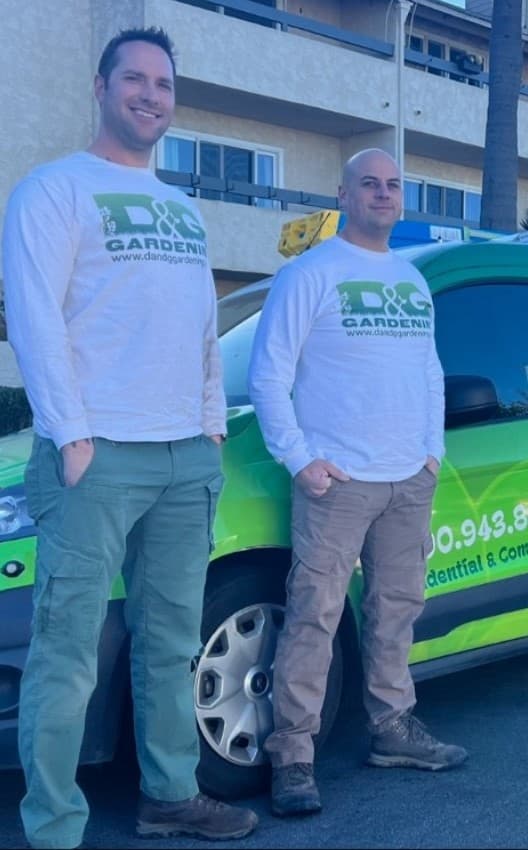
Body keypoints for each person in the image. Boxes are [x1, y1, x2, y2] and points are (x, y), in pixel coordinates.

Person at [1, 27, 258, 849]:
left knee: (172, 641)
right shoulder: (53, 189)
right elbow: (34, 316)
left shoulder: (182, 210)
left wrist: (213, 424)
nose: (152, 95)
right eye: (136, 79)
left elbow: (197, 327)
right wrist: (72, 436)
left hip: (186, 456)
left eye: (164, 84)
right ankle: (53, 828)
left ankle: (170, 794)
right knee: (69, 652)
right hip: (96, 456)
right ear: (102, 88)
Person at [248, 148, 466, 818]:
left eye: (393, 185)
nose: (382, 194)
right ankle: (293, 758)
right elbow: (267, 373)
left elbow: (430, 373)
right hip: (336, 482)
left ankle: (393, 731)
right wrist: (300, 461)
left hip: (408, 479)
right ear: (343, 193)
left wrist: (431, 454)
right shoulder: (309, 273)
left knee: (396, 612)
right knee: (313, 617)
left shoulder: (410, 279)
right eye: (369, 184)